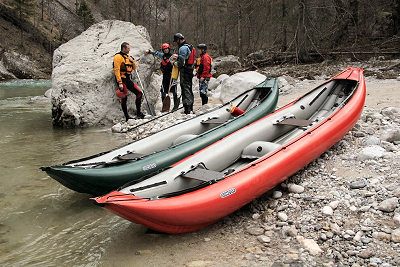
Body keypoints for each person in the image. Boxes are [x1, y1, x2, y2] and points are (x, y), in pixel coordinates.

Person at [113, 42, 145, 121]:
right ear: (124, 48)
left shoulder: (129, 57)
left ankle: (138, 113)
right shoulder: (117, 57)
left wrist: (132, 61)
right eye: (128, 48)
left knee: (139, 93)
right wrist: (119, 82)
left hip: (127, 79)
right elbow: (116, 70)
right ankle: (127, 117)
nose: (129, 49)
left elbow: (135, 68)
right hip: (121, 79)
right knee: (124, 97)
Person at [146, 43, 179, 111]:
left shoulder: (173, 56)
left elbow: (178, 64)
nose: (165, 50)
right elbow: (156, 53)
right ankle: (165, 107)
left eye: (166, 49)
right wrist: (150, 51)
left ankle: (176, 106)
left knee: (174, 91)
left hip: (172, 76)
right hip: (165, 76)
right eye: (164, 49)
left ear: (169, 49)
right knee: (163, 91)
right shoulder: (162, 55)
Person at [172, 33, 196, 114]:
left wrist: (175, 63)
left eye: (176, 41)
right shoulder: (190, 46)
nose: (176, 43)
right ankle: (191, 107)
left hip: (185, 70)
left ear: (179, 39)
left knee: (185, 87)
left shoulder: (182, 48)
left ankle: (187, 108)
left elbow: (181, 62)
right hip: (190, 70)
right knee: (189, 87)